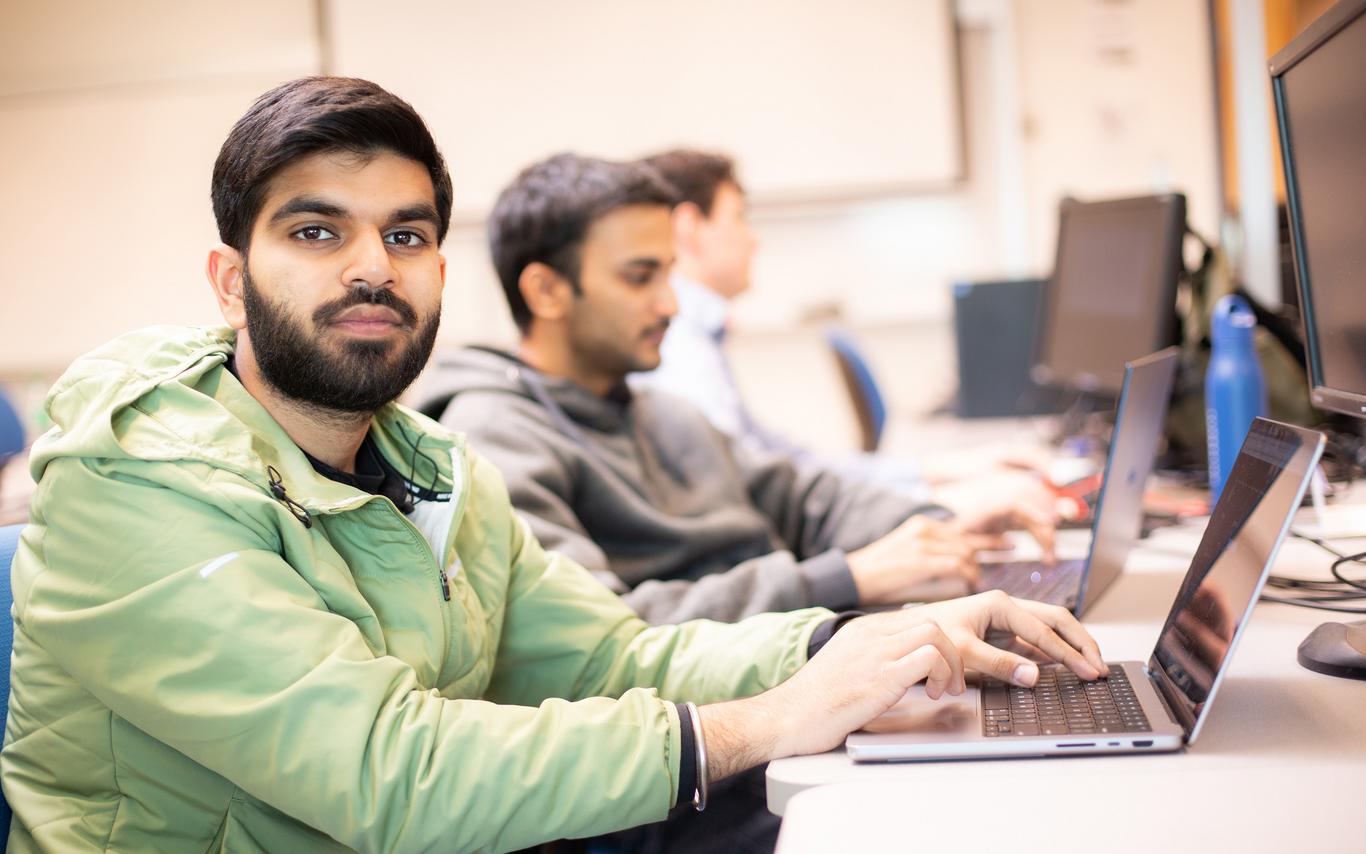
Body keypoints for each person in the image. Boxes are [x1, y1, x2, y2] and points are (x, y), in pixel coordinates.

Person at [1, 78, 1106, 854]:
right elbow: (388, 771)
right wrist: (768, 718)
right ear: (231, 279)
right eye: (316, 233)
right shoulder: (133, 478)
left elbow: (607, 656)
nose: (371, 269)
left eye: (406, 233)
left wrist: (858, 644)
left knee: (889, 808)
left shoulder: (430, 467)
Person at [431, 153, 1056, 627]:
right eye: (640, 277)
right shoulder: (496, 440)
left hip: (792, 657)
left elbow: (805, 497)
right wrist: (845, 579)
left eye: (669, 275)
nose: (670, 304)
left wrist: (933, 526)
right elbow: (605, 630)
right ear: (546, 291)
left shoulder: (659, 410)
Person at [634, 149, 1053, 499]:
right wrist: (939, 500)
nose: (754, 238)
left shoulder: (698, 340)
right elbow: (754, 493)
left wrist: (935, 471)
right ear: (689, 227)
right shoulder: (678, 349)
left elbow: (789, 465)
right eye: (739, 217)